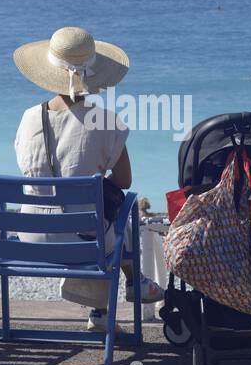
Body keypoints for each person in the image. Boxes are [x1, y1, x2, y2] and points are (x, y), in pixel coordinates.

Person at [13, 26, 163, 331]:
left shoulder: (28, 118)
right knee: (113, 216)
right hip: (82, 240)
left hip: (29, 237)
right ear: (94, 75)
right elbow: (124, 180)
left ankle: (103, 312)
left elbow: (29, 170)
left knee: (94, 220)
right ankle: (134, 282)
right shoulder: (105, 120)